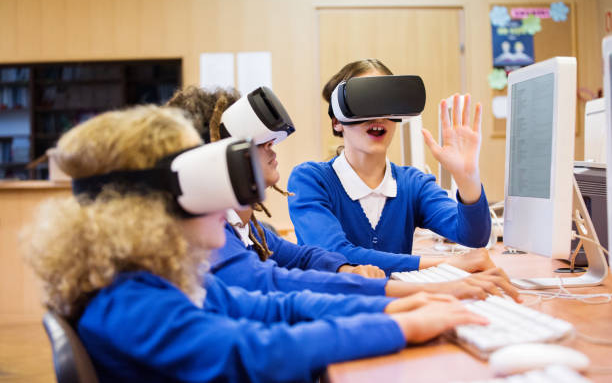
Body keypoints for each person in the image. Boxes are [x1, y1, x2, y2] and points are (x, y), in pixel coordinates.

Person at [21, 105, 490, 382]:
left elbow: (271, 310)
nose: (227, 200)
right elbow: (253, 352)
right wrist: (401, 327)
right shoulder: (129, 305)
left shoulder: (156, 283)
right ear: (148, 211)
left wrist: (391, 308)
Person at [166, 86, 520, 302]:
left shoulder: (249, 231)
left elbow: (306, 260)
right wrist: (427, 286)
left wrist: (467, 176)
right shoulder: (210, 240)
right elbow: (283, 289)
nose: (273, 145)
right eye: (362, 104)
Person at [287, 59, 493, 276]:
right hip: (334, 307)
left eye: (387, 103)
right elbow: (335, 255)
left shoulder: (413, 184)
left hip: (400, 305)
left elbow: (473, 237)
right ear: (337, 121)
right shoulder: (309, 180)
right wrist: (445, 264)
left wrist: (467, 178)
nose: (379, 116)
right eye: (365, 102)